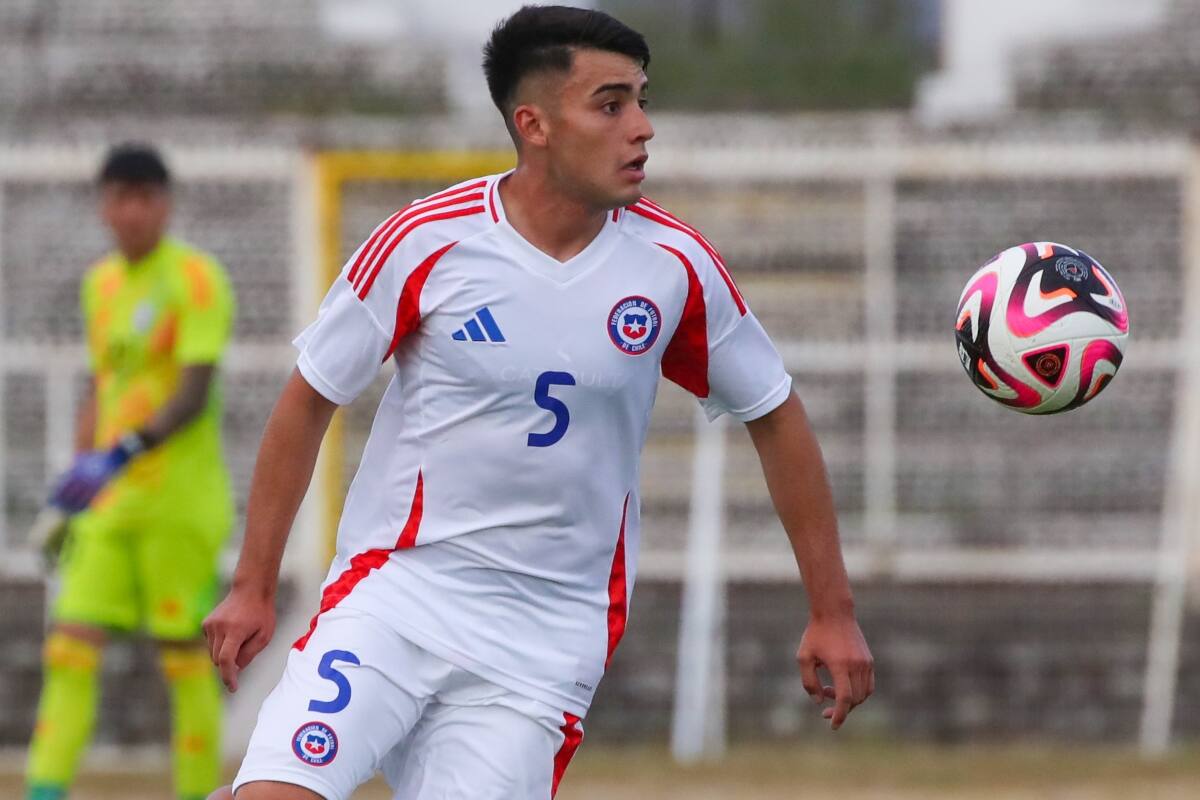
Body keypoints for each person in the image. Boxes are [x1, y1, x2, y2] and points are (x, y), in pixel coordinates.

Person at [204, 6, 873, 799]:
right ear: (536, 124)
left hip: (543, 642)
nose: (642, 129)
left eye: (643, 101)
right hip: (398, 596)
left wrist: (832, 610)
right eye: (611, 104)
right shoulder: (427, 242)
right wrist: (252, 585)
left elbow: (775, 412)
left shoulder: (674, 268)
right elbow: (310, 398)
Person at [25, 143, 236, 800]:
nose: (133, 211)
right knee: (68, 647)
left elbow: (193, 391)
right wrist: (74, 483)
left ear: (165, 205)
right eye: (121, 197)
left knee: (182, 663)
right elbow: (102, 384)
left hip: (179, 505)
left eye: (146, 197)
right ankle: (42, 792)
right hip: (111, 506)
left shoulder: (198, 279)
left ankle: (198, 793)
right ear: (104, 205)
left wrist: (124, 451)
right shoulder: (100, 285)